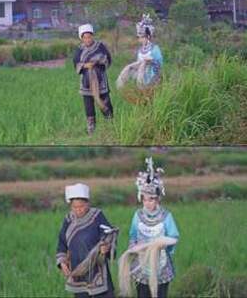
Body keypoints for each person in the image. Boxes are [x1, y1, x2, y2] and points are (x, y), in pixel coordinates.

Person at [118, 157, 179, 298]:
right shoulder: (138, 215)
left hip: (161, 264)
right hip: (142, 263)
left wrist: (160, 244)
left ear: (158, 199)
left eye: (151, 199)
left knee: (160, 294)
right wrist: (134, 248)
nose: (147, 203)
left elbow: (174, 237)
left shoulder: (166, 216)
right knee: (143, 294)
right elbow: (133, 236)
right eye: (144, 199)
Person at [56, 183, 118, 297]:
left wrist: (106, 247)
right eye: (75, 207)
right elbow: (62, 243)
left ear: (87, 204)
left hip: (97, 270)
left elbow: (108, 234)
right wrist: (62, 262)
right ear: (71, 206)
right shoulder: (68, 219)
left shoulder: (97, 215)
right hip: (77, 271)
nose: (78, 210)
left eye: (82, 206)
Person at [73, 24, 114, 135]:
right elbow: (76, 63)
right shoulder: (79, 50)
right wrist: (85, 65)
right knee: (89, 105)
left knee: (105, 102)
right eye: (85, 37)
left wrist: (97, 62)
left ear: (92, 36)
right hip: (86, 83)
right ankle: (91, 129)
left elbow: (108, 59)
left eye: (89, 36)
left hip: (100, 81)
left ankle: (110, 126)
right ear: (81, 38)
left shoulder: (100, 46)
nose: (87, 39)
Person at [116, 14, 163, 91]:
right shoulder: (141, 50)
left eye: (142, 37)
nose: (140, 39)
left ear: (148, 37)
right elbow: (139, 62)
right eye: (139, 37)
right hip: (141, 77)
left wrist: (151, 61)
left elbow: (159, 64)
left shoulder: (155, 49)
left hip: (152, 78)